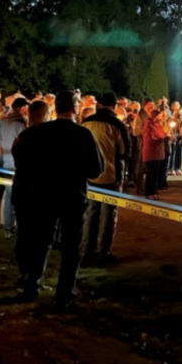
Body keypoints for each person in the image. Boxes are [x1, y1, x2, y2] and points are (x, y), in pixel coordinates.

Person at [11, 91, 103, 307]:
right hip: (72, 195)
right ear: (75, 108)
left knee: (41, 241)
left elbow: (23, 161)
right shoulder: (82, 134)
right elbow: (96, 170)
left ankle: (32, 284)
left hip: (43, 194)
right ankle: (64, 292)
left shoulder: (38, 132)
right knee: (71, 245)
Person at [82, 92, 130, 262]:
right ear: (114, 105)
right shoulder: (117, 124)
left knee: (92, 211)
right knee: (109, 213)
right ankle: (104, 251)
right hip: (111, 174)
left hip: (90, 175)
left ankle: (87, 250)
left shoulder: (86, 123)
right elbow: (125, 152)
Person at [0, 97, 30, 236]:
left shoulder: (4, 122)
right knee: (17, 197)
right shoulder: (20, 123)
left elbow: (0, 141)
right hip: (17, 164)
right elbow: (26, 143)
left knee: (9, 194)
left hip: (6, 161)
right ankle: (12, 227)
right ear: (23, 108)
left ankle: (8, 226)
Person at [142, 108, 168, 199]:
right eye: (159, 115)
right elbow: (150, 140)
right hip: (151, 153)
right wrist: (163, 139)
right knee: (151, 174)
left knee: (156, 174)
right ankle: (149, 193)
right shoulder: (149, 126)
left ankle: (153, 192)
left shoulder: (158, 125)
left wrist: (166, 136)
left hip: (158, 153)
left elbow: (161, 135)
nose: (161, 117)